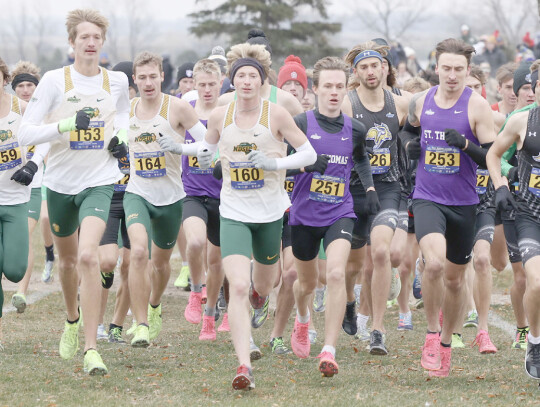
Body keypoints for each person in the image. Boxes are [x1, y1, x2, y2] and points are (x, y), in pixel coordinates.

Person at [195, 43, 316, 390]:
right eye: (241, 76)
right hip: (233, 210)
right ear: (232, 82)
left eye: (253, 76)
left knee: (265, 284)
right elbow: (207, 145)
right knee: (238, 285)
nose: (246, 81)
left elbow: (308, 152)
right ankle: (244, 363)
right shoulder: (220, 114)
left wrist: (273, 163)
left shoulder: (276, 114)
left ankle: (260, 301)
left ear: (261, 81)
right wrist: (204, 158)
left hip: (269, 212)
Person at [18, 9, 130, 375]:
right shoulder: (54, 81)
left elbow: (124, 116)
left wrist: (122, 139)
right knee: (66, 262)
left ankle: (92, 347)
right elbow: (25, 133)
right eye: (84, 36)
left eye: (97, 36)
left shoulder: (115, 81)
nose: (91, 42)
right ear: (72, 43)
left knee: (88, 257)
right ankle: (71, 320)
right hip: (61, 184)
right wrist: (65, 124)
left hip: (100, 180)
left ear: (102, 42)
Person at [407, 38, 495, 377]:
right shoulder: (422, 100)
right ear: (437, 68)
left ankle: (446, 342)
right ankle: (430, 334)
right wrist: (411, 146)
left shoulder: (477, 107)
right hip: (427, 196)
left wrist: (466, 145)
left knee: (456, 282)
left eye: (459, 69)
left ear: (467, 70)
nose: (452, 75)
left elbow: (490, 158)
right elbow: (406, 132)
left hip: (465, 202)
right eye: (446, 68)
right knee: (434, 265)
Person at [288, 55, 375, 377]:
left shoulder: (356, 129)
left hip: (340, 211)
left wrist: (368, 190)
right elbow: (281, 163)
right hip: (303, 214)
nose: (334, 92)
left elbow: (362, 159)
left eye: (340, 86)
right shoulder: (300, 124)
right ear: (316, 89)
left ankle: (329, 349)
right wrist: (305, 165)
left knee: (336, 275)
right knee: (307, 284)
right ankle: (302, 318)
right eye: (328, 86)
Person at [124, 51, 203, 348]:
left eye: (152, 77)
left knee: (160, 264)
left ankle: (155, 305)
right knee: (139, 253)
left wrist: (181, 149)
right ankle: (141, 323)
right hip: (137, 194)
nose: (147, 83)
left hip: (171, 198)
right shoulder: (127, 110)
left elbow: (209, 145)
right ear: (135, 79)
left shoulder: (179, 108)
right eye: (141, 77)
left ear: (162, 77)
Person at [341, 41, 409, 354]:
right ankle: (351, 303)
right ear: (356, 72)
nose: (371, 71)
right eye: (364, 67)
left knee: (380, 253)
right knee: (352, 265)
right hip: (352, 190)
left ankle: (378, 329)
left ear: (385, 69)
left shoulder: (401, 104)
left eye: (375, 66)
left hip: (388, 188)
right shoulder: (346, 104)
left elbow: (431, 119)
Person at [161, 59, 225, 340]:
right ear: (193, 85)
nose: (207, 89)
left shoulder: (227, 114)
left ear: (221, 83)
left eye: (212, 84)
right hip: (193, 192)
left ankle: (211, 316)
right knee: (196, 242)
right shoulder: (186, 114)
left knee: (217, 260)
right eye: (202, 84)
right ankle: (196, 292)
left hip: (225, 196)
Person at [486, 66, 540, 379]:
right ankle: (534, 340)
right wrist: (501, 186)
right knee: (535, 280)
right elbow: (494, 155)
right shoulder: (523, 121)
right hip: (529, 216)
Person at [9, 61, 50, 312]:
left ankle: (21, 293)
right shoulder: (9, 114)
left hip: (35, 186)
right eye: (21, 86)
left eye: (30, 85)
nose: (26, 90)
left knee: (24, 235)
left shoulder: (44, 114)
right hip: (7, 188)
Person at [0, 57, 30, 350]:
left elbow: (41, 140)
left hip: (16, 199)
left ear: (4, 78)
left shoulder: (21, 108)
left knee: (16, 270)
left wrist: (31, 165)